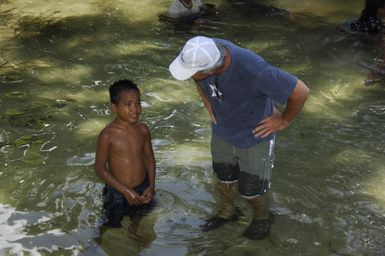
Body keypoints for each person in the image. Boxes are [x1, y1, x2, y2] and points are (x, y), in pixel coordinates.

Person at [168, 36, 310, 240]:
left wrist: (283, 121)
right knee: (224, 177)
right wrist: (206, 100)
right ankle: (228, 212)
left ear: (211, 69)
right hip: (222, 130)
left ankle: (262, 218)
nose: (191, 75)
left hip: (255, 135)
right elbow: (196, 76)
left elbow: (301, 91)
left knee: (252, 190)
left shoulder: (254, 69)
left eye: (193, 73)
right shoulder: (201, 48)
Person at [94, 79, 156, 229]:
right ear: (114, 107)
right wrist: (125, 190)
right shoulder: (108, 135)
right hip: (118, 192)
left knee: (139, 218)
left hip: (142, 188)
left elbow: (149, 159)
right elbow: (99, 168)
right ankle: (98, 245)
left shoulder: (143, 130)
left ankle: (134, 235)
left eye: (138, 103)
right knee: (111, 224)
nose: (135, 109)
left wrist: (152, 186)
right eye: (128, 105)